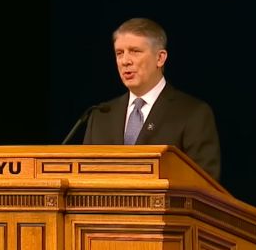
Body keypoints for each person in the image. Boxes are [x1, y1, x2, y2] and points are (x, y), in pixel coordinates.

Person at [83, 17, 221, 180]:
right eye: (119, 53)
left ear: (160, 58)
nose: (125, 61)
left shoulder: (193, 113)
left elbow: (205, 184)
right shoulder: (100, 116)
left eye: (135, 51)